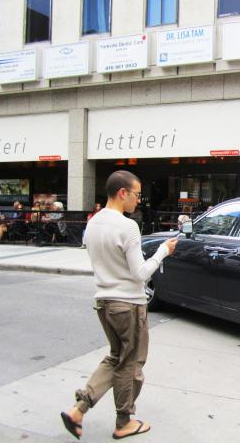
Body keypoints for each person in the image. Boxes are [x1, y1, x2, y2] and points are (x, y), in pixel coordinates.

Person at [61, 170, 178, 440]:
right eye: (137, 194)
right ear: (122, 193)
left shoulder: (92, 223)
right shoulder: (127, 226)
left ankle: (78, 410)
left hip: (104, 302)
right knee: (131, 363)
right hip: (128, 304)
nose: (139, 200)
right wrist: (163, 251)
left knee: (116, 357)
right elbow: (140, 274)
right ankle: (124, 421)